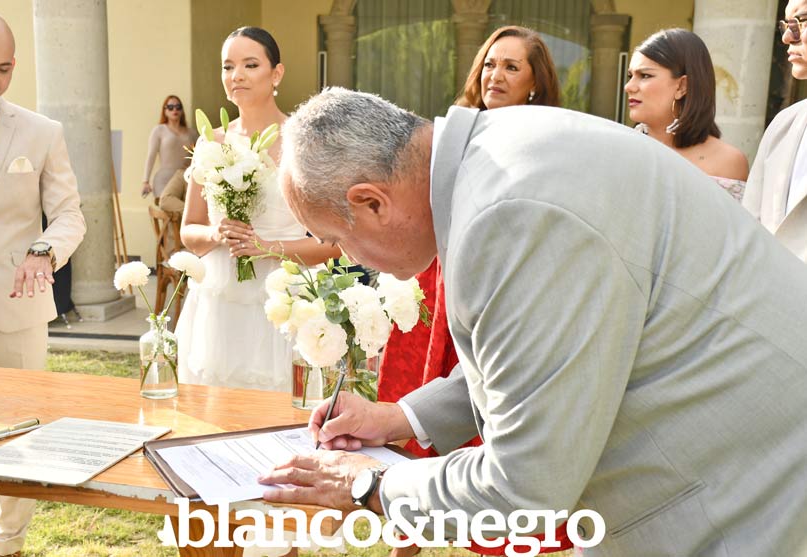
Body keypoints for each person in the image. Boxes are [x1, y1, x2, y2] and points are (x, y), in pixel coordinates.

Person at [257, 87, 807, 556]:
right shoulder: (498, 153)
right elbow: (547, 356)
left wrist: (372, 486)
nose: (347, 255)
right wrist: (400, 417)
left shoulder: (507, 217)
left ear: (372, 202)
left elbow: (524, 486)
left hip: (747, 492)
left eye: (336, 238)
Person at [376, 26, 569, 556]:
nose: (495, 75)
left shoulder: (548, 136)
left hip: (501, 279)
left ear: (535, 81)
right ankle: (404, 535)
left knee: (489, 402)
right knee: (422, 400)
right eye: (489, 64)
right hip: (441, 280)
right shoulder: (454, 132)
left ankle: (497, 534)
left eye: (511, 66)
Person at [0, 6, 86, 557]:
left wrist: (44, 251)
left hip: (15, 305)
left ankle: (7, 544)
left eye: (3, 68)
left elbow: (69, 214)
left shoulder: (42, 132)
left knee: (21, 431)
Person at [176, 27, 339, 402]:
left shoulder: (305, 144)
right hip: (219, 300)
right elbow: (189, 232)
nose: (237, 75)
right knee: (216, 408)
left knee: (283, 404)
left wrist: (267, 247)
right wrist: (217, 234)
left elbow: (334, 245)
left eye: (250, 65)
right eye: (228, 66)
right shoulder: (211, 141)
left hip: (284, 296)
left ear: (276, 73)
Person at [625, 28, 748, 200]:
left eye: (645, 75)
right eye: (630, 76)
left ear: (682, 86)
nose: (629, 87)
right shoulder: (621, 148)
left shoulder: (728, 162)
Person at [743, 0, 807, 262]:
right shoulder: (784, 125)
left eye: (801, 21)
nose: (787, 37)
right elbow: (751, 228)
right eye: (786, 24)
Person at [141, 94, 196, 200]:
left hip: (184, 178)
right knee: (166, 204)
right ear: (165, 111)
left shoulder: (191, 133)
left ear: (182, 110)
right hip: (164, 179)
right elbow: (151, 156)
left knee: (185, 208)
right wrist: (145, 181)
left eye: (178, 107)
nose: (174, 110)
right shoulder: (159, 130)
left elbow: (200, 155)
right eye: (170, 107)